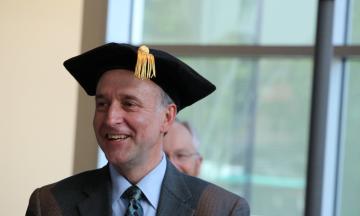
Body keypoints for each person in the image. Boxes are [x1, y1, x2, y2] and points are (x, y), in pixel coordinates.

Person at [26, 43, 249, 216]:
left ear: (167, 117)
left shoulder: (219, 209)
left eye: (129, 104)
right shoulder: (51, 205)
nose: (111, 118)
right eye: (102, 104)